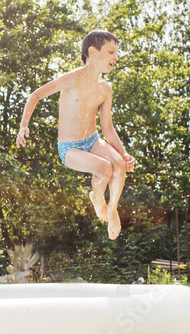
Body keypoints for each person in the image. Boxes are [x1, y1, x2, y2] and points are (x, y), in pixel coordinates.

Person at [16, 30, 135, 240]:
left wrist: (124, 154)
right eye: (111, 52)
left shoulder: (105, 89)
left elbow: (107, 128)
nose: (116, 57)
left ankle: (113, 209)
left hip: (93, 140)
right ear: (93, 52)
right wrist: (23, 125)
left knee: (118, 164)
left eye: (117, 52)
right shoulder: (72, 79)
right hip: (69, 148)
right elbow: (35, 95)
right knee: (104, 168)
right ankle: (97, 199)